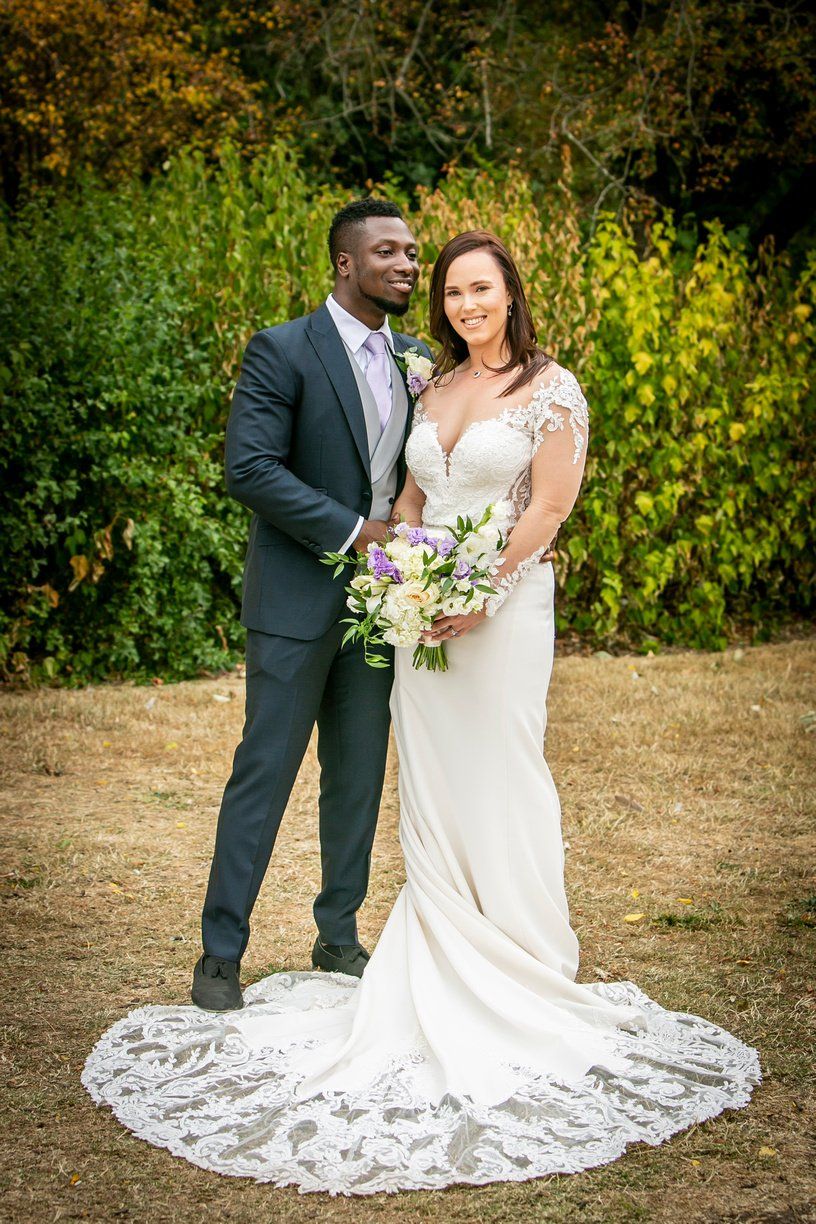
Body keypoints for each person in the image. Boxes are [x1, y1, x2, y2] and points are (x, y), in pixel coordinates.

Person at [84, 231, 759, 1195]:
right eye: (445, 287)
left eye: (470, 285)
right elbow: (374, 489)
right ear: (360, 269)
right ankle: (251, 952)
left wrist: (480, 582)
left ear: (510, 292)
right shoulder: (406, 378)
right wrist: (398, 562)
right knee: (368, 778)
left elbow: (549, 509)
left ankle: (494, 949)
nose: (454, 299)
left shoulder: (543, 385)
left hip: (495, 607)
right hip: (395, 607)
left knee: (485, 769)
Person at [192, 198, 432, 1010]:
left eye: (411, 253)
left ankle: (339, 933)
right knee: (263, 775)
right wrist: (353, 530)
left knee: (358, 775)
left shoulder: (417, 357)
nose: (406, 265)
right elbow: (250, 470)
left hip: (378, 609)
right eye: (389, 253)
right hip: (295, 602)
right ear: (345, 263)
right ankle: (220, 954)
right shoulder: (283, 350)